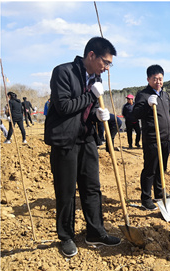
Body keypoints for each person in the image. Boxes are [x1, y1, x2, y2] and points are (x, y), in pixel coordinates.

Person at [44, 36, 121, 257]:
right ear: (91, 55)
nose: (106, 68)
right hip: (65, 141)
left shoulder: (96, 79)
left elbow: (89, 109)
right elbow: (65, 106)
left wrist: (98, 115)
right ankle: (66, 236)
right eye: (105, 62)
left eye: (109, 64)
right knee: (66, 192)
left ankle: (95, 232)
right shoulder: (63, 72)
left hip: (87, 139)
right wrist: (91, 95)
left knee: (92, 188)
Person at [132, 64, 170, 211]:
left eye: (160, 79)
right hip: (152, 139)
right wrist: (147, 104)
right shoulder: (143, 95)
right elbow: (134, 115)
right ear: (148, 79)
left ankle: (159, 192)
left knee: (162, 167)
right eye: (155, 79)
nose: (158, 82)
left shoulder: (165, 95)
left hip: (166, 138)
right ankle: (146, 198)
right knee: (150, 169)